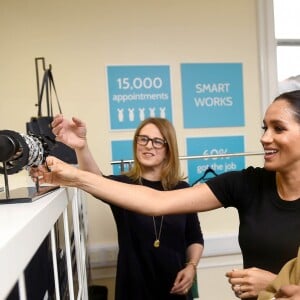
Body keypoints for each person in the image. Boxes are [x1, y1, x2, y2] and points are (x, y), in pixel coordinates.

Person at [32, 90, 300, 299]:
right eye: (264, 128)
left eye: (278, 128)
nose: (265, 138)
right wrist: (75, 174)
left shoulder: (181, 186)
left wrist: (276, 283)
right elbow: (154, 202)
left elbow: (193, 236)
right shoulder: (247, 184)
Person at [50, 115, 204, 300]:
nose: (148, 145)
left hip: (175, 288)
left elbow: (194, 237)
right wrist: (81, 146)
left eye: (157, 141)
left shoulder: (182, 189)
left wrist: (191, 266)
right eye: (143, 139)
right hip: (134, 289)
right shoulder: (123, 186)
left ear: (168, 148)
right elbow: (94, 181)